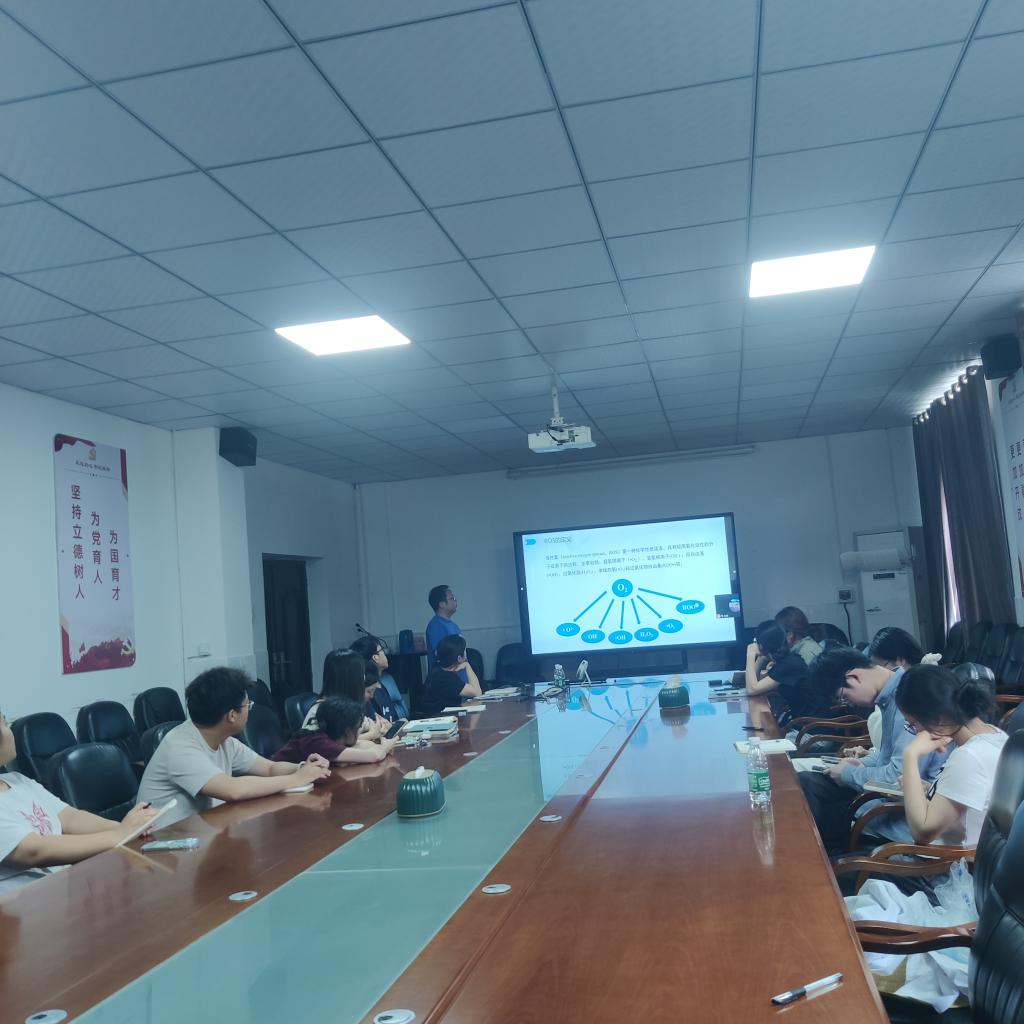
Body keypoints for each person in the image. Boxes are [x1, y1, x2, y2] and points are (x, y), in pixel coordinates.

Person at [844, 664, 1008, 1011]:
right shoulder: (995, 736)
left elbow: (921, 831)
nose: (915, 732)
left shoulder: (970, 756)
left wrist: (910, 756)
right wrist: (925, 787)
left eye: (913, 725)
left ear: (936, 718)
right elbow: (960, 807)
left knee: (851, 883)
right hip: (971, 868)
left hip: (948, 874)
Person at [798, 647, 950, 855]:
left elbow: (898, 775)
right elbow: (887, 755)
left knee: (819, 808)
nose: (849, 703)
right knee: (808, 784)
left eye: (844, 697)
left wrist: (849, 774)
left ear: (854, 677)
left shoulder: (905, 697)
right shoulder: (891, 696)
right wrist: (862, 764)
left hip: (899, 812)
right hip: (887, 798)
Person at [138, 667, 331, 826]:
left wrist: (303, 768)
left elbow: (269, 768)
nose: (249, 710)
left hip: (201, 835)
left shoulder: (224, 740)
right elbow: (233, 790)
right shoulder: (179, 746)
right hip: (163, 846)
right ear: (232, 715)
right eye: (248, 705)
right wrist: (296, 779)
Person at [0, 708, 159, 893]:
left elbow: (69, 817)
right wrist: (118, 835)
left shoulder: (17, 780)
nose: (9, 730)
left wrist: (125, 828)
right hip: (25, 902)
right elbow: (33, 850)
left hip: (63, 888)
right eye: (4, 724)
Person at [303, 650, 399, 763]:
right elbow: (330, 748)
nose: (364, 679)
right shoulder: (321, 711)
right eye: (361, 675)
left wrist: (379, 727)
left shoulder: (348, 708)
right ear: (351, 680)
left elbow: (368, 727)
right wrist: (373, 735)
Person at [744, 622, 827, 722]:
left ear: (761, 645)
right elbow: (753, 683)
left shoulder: (788, 665)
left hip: (812, 725)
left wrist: (750, 655)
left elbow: (752, 690)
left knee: (764, 728)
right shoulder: (787, 661)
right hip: (805, 720)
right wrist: (762, 658)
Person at [272, 697, 365, 765]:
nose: (360, 730)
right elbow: (371, 756)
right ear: (347, 731)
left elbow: (366, 746)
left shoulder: (327, 738)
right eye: (358, 727)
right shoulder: (321, 743)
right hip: (277, 779)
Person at [419, 634, 482, 717]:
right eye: (465, 651)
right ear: (459, 658)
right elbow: (477, 693)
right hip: (438, 721)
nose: (466, 654)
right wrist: (467, 666)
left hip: (440, 718)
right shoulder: (446, 678)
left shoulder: (438, 670)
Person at [351, 634, 404, 722]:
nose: (385, 653)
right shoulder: (367, 691)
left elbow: (392, 719)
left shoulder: (381, 684)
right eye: (382, 650)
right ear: (375, 657)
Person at [426, 585, 461, 667]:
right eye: (452, 598)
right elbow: (443, 657)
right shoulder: (436, 626)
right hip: (447, 674)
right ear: (441, 604)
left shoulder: (452, 625)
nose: (455, 601)